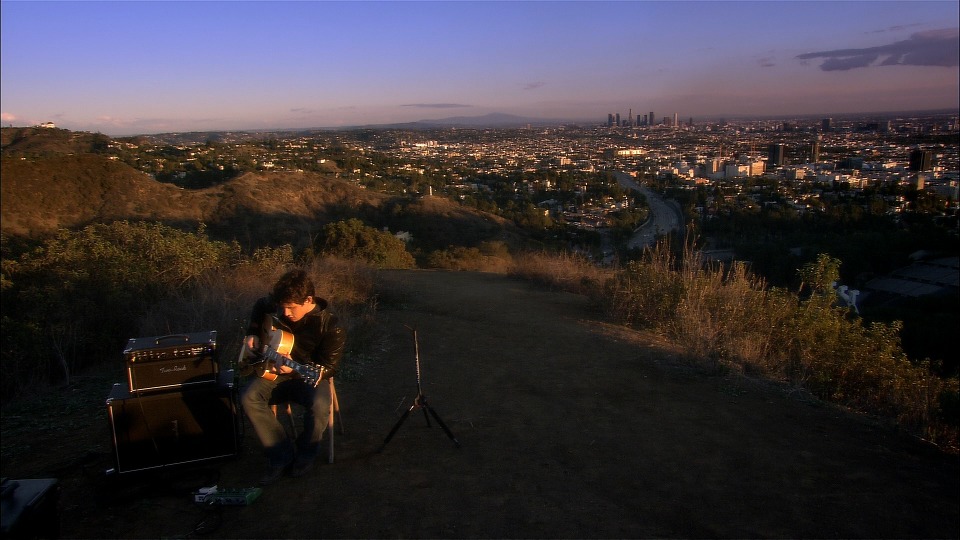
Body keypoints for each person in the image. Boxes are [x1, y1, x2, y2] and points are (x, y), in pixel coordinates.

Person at [240, 268, 346, 485]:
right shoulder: (280, 304)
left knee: (319, 406)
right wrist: (252, 333)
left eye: (290, 308)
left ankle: (306, 454)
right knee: (248, 398)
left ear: (308, 299)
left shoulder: (331, 326)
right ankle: (280, 454)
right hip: (273, 372)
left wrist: (296, 369)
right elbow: (261, 305)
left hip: (308, 376)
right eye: (282, 307)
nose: (285, 313)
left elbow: (328, 368)